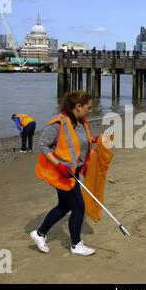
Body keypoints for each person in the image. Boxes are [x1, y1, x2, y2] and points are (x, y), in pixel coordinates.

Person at [31, 91, 97, 256]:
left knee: (65, 206)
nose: (90, 110)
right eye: (88, 107)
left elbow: (78, 142)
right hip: (63, 174)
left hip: (74, 171)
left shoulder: (80, 121)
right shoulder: (59, 123)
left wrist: (96, 140)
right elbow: (43, 144)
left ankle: (39, 234)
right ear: (78, 106)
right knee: (78, 208)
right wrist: (59, 165)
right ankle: (76, 244)